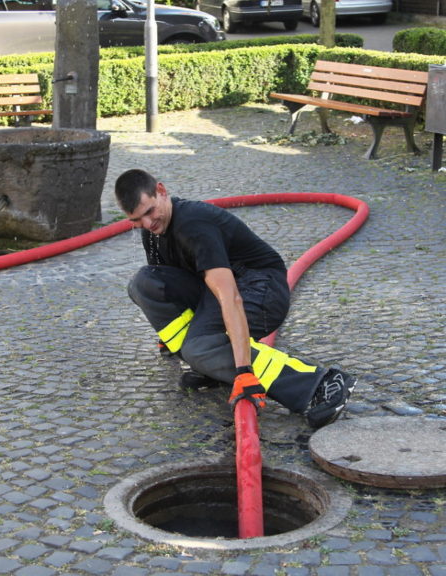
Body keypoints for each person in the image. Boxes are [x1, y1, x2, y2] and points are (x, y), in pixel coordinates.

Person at [114, 169, 357, 429]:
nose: (148, 223)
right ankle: (208, 363)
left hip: (260, 290)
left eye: (150, 211)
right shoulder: (152, 231)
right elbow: (163, 279)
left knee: (199, 348)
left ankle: (320, 382)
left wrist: (242, 372)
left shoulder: (193, 225)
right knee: (143, 283)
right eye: (136, 220)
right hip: (215, 291)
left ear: (161, 191)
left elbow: (230, 298)